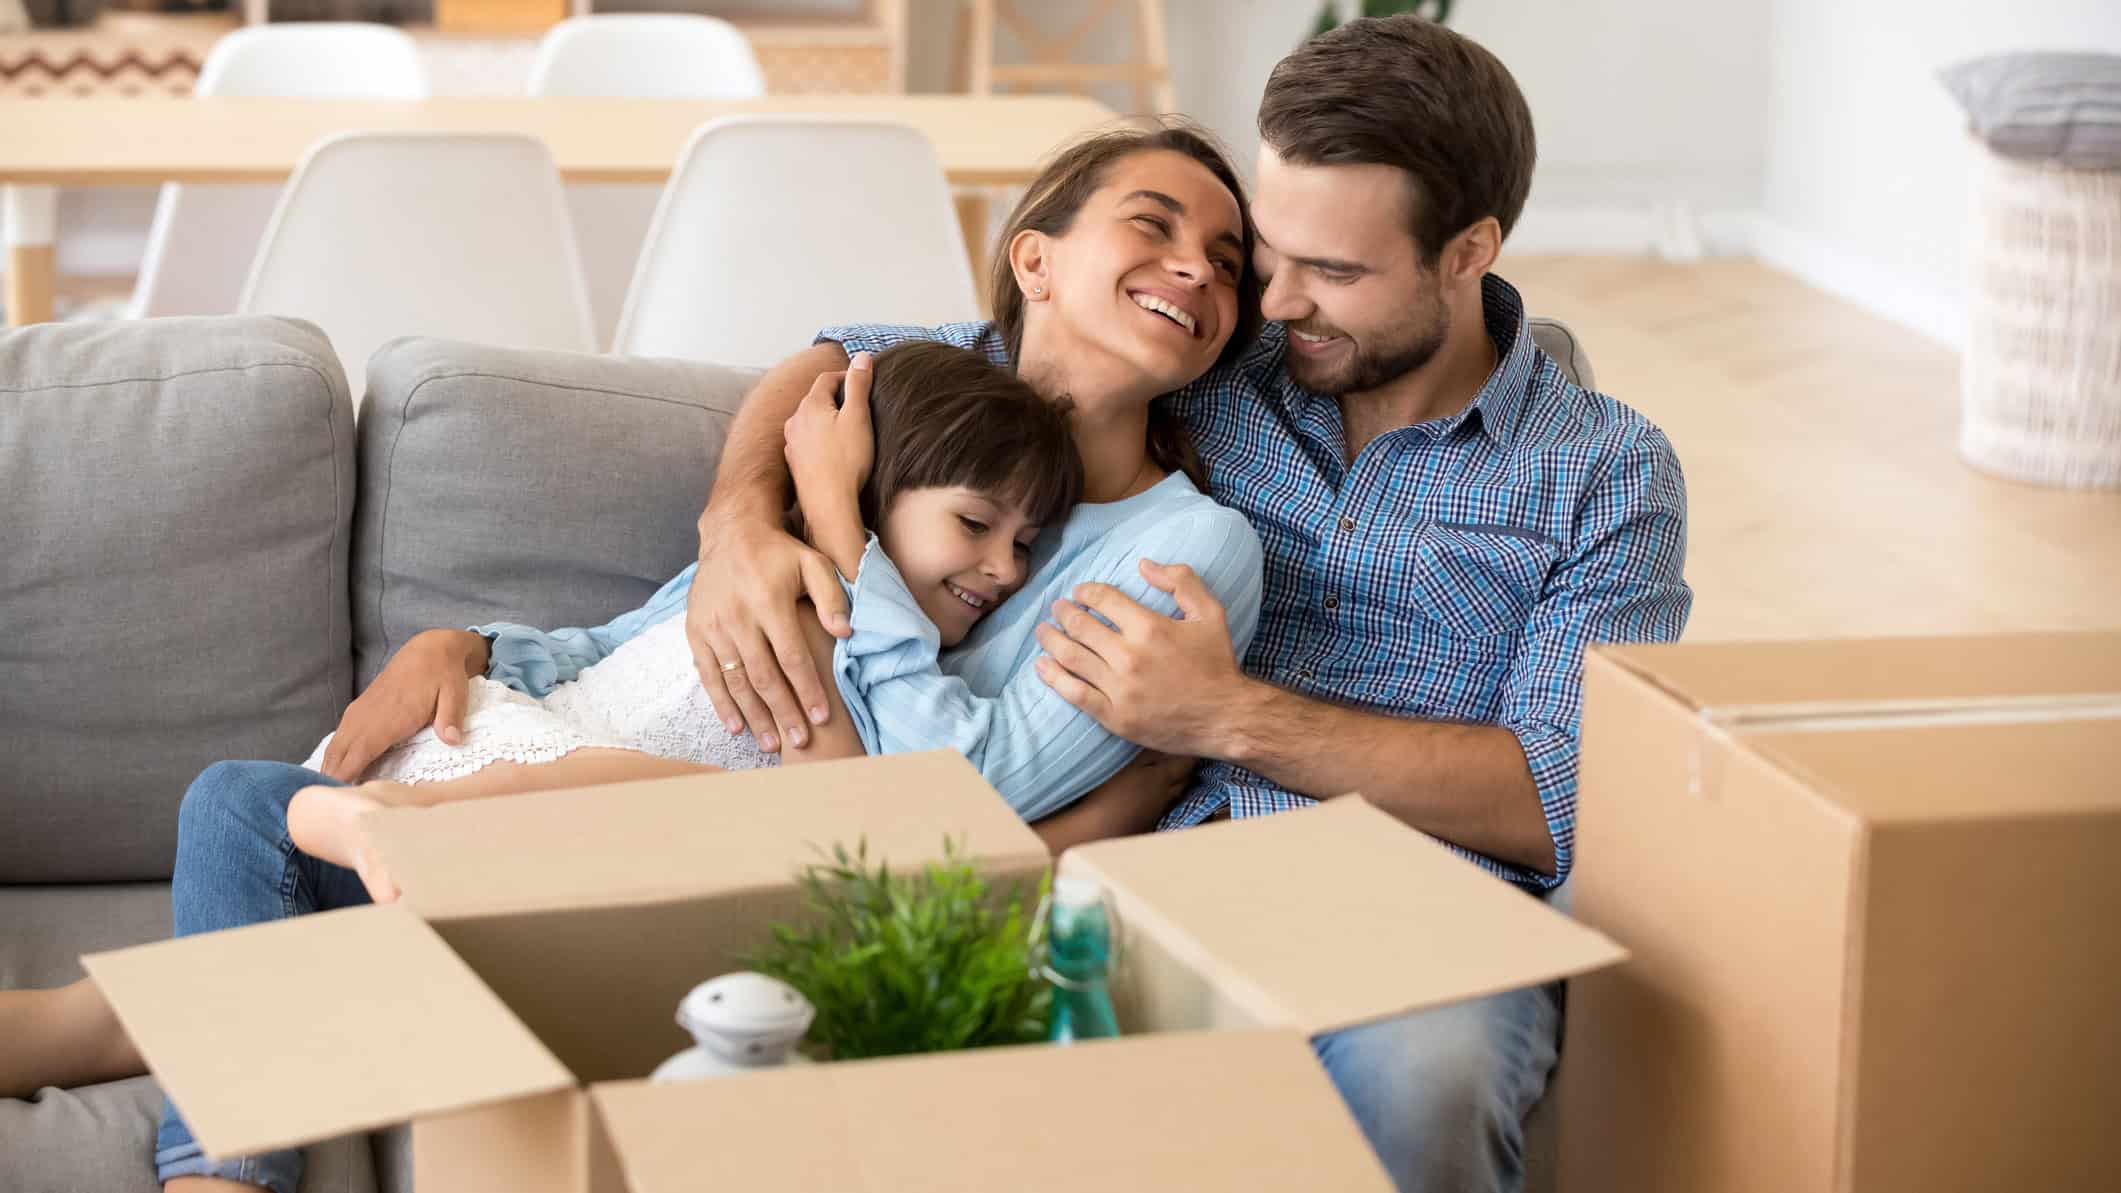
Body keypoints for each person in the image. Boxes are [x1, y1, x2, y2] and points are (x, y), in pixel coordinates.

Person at [0, 119, 1270, 1193]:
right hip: (588, 794)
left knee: (266, 874)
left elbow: (936, 800)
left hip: (747, 871)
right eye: (1153, 227)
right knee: (195, 911)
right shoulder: (885, 405)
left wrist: (832, 521)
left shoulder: (1177, 545)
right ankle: (209, 1136)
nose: (1195, 271)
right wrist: (477, 641)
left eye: (1229, 259)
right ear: (1034, 259)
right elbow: (663, 629)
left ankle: (231, 1137)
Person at [680, 18, 1692, 1193]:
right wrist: (736, 524)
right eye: (1273, 251)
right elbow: (851, 359)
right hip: (1140, 867)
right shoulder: (1210, 357)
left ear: (1468, 250)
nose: (1278, 299)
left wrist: (1230, 715)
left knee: (1433, 1075)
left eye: (1337, 273)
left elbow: (1550, 795)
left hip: (1412, 900)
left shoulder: (1606, 470)